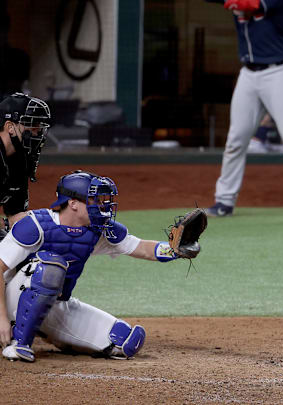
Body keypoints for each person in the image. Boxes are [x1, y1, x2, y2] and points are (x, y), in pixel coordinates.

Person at [0, 170, 190, 362]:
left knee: (124, 341)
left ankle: (54, 334)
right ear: (72, 203)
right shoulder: (35, 225)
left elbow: (142, 248)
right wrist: (2, 319)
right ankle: (19, 345)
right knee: (50, 267)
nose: (101, 206)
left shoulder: (96, 230)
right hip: (10, 300)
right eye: (94, 200)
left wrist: (174, 250)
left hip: (55, 305)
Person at [205, 0, 283, 222]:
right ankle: (224, 201)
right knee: (235, 139)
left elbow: (249, 4)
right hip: (248, 73)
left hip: (280, 71)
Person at [0, 93, 51, 232]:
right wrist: (5, 225)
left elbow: (15, 215)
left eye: (39, 127)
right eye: (32, 125)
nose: (37, 133)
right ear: (10, 127)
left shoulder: (18, 161)